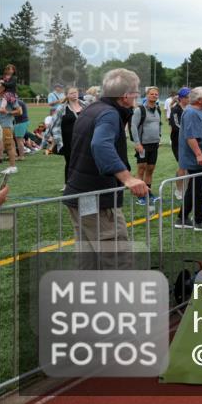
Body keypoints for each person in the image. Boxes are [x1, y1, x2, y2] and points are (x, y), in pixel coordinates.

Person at [62, 68, 149, 269]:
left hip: (80, 194)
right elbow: (100, 145)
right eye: (136, 92)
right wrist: (128, 178)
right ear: (125, 96)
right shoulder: (108, 114)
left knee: (89, 258)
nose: (138, 96)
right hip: (97, 198)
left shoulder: (91, 109)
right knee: (117, 259)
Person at [178, 87, 202, 231]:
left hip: (200, 159)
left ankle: (182, 218)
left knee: (193, 189)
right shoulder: (192, 113)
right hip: (196, 160)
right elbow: (191, 136)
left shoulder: (196, 112)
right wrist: (199, 154)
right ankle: (199, 222)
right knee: (198, 190)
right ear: (199, 100)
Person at [44, 87, 85, 186]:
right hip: (68, 140)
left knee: (83, 161)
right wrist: (47, 137)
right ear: (67, 95)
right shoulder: (62, 108)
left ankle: (81, 182)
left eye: (75, 92)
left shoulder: (85, 105)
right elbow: (53, 123)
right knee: (70, 162)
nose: (74, 95)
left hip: (82, 138)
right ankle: (68, 184)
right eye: (71, 93)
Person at [131, 86, 162, 207]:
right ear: (147, 96)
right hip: (143, 145)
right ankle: (140, 196)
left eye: (156, 94)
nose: (154, 96)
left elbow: (159, 125)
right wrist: (137, 143)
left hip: (154, 145)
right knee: (141, 169)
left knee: (150, 170)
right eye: (152, 94)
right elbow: (133, 126)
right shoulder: (140, 110)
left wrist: (158, 137)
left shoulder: (158, 109)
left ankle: (148, 193)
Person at [169, 87, 190, 198]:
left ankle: (186, 189)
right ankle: (178, 190)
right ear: (181, 98)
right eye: (187, 97)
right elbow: (175, 124)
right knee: (182, 166)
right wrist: (188, 132)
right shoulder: (175, 109)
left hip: (189, 142)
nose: (189, 99)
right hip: (178, 142)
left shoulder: (190, 108)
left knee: (189, 166)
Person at [0, 80, 21, 172]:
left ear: (4, 87)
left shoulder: (9, 97)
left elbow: (19, 111)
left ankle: (12, 167)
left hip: (5, 125)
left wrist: (7, 112)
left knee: (8, 145)